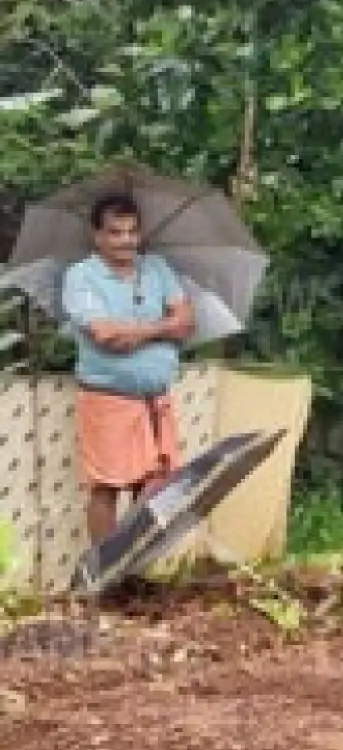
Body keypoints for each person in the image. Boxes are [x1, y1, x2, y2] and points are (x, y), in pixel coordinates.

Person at [60, 192, 195, 549]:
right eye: (116, 232)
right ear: (98, 235)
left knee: (150, 487)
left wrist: (138, 332)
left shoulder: (157, 269)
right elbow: (106, 335)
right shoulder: (81, 277)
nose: (126, 241)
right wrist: (161, 326)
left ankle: (133, 571)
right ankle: (105, 575)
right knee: (106, 487)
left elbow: (186, 322)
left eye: (132, 231)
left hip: (155, 400)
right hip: (108, 399)